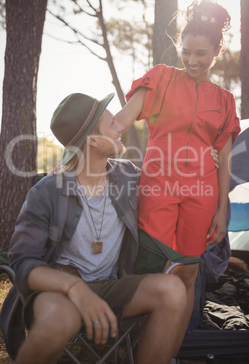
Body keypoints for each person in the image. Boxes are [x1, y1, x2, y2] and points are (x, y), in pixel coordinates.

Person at [9, 92, 187, 364]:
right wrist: (74, 288)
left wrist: (207, 158)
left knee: (172, 290)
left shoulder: (129, 176)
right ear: (92, 140)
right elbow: (22, 262)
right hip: (58, 290)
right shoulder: (46, 192)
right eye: (112, 123)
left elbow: (174, 180)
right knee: (58, 320)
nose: (121, 126)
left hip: (112, 286)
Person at [115, 0, 241, 349]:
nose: (192, 61)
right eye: (186, 51)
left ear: (217, 50)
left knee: (187, 272)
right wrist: (89, 135)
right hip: (158, 188)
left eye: (201, 53)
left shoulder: (225, 100)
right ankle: (132, 345)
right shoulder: (161, 78)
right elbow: (121, 120)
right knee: (150, 268)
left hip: (202, 196)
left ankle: (169, 351)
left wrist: (220, 212)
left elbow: (225, 158)